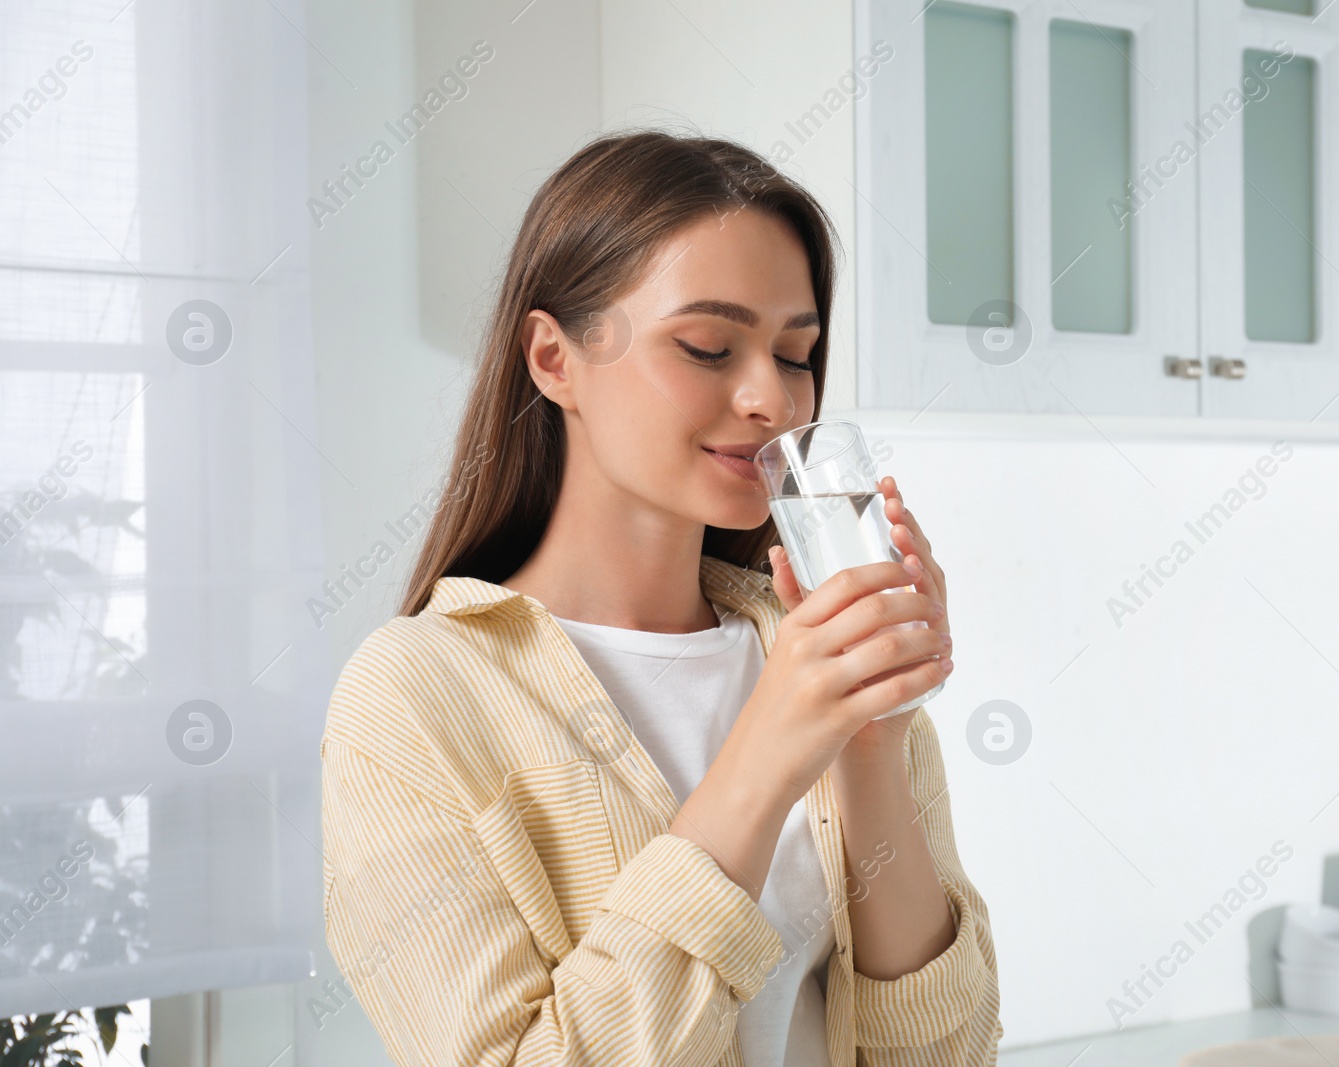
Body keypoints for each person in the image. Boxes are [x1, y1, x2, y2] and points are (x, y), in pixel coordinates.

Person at [319, 128, 1001, 1066]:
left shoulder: (809, 649)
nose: (773, 397)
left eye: (796, 354)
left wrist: (871, 747)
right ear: (553, 359)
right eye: (708, 347)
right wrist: (766, 755)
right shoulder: (414, 697)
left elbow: (944, 1056)